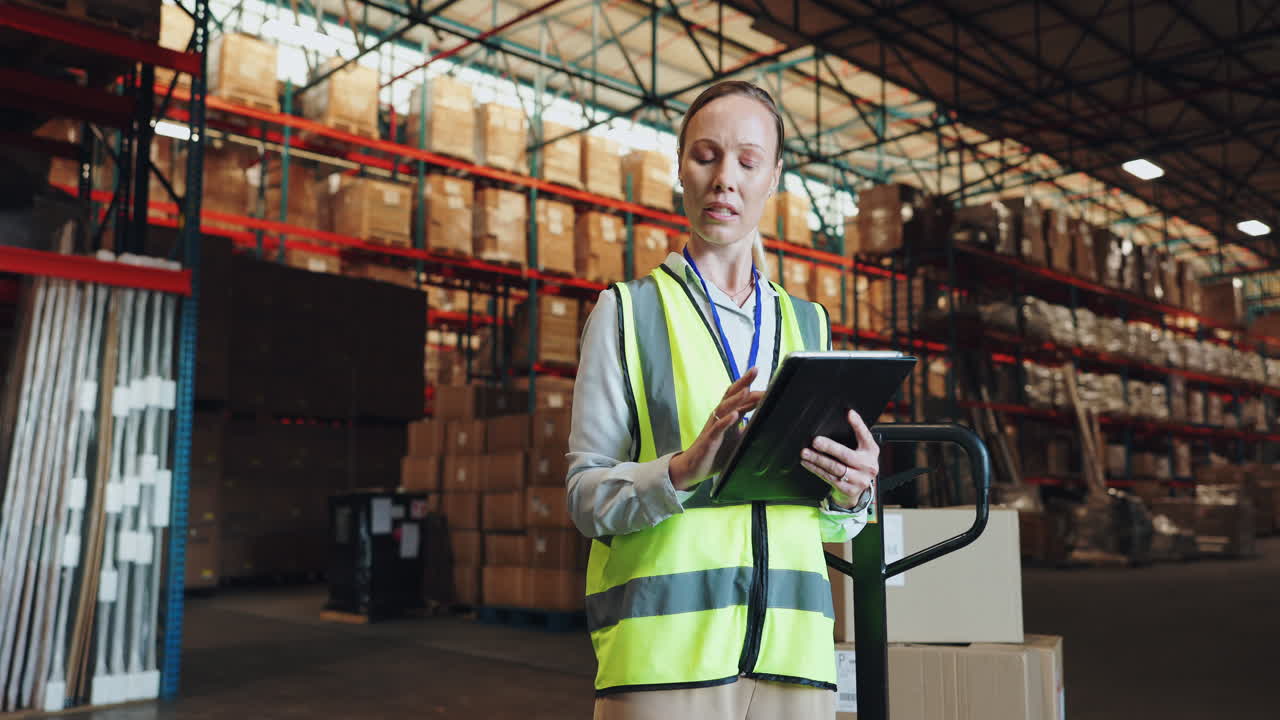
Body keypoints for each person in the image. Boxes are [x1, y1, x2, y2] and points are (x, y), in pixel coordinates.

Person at [566, 80, 879, 719]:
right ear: (680, 169)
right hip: (665, 663)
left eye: (747, 160)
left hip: (794, 659)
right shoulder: (628, 313)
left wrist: (852, 492)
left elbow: (816, 515)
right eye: (705, 156)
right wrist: (683, 469)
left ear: (774, 177)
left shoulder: (809, 326)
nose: (724, 179)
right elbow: (584, 498)